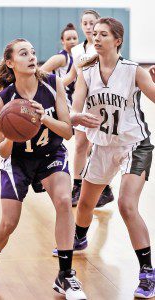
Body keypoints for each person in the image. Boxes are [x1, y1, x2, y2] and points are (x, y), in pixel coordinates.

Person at [0, 38, 90, 300]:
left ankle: (65, 275)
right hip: (19, 162)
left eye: (33, 52)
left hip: (50, 155)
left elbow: (67, 132)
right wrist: (13, 131)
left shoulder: (53, 84)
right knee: (9, 222)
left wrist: (43, 118)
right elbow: (2, 150)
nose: (32, 57)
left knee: (65, 201)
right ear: (11, 63)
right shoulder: (3, 101)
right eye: (24, 54)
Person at [71, 17, 155, 298]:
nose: (96, 38)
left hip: (134, 145)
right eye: (94, 34)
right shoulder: (87, 71)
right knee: (84, 203)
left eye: (103, 34)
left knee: (126, 204)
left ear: (117, 40)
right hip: (103, 146)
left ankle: (147, 273)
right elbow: (75, 107)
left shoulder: (134, 71)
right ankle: (79, 238)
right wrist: (75, 116)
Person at [63, 10, 114, 208]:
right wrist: (47, 83)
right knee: (79, 145)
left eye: (92, 22)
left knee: (99, 147)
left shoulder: (104, 47)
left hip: (102, 103)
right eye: (85, 23)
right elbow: (70, 77)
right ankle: (77, 186)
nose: (88, 26)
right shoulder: (77, 51)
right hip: (82, 102)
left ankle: (105, 187)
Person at [41, 23, 79, 108]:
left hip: (70, 98)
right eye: (68, 39)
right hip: (60, 99)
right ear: (62, 41)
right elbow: (39, 73)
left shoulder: (74, 57)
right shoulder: (61, 57)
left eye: (74, 38)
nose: (72, 41)